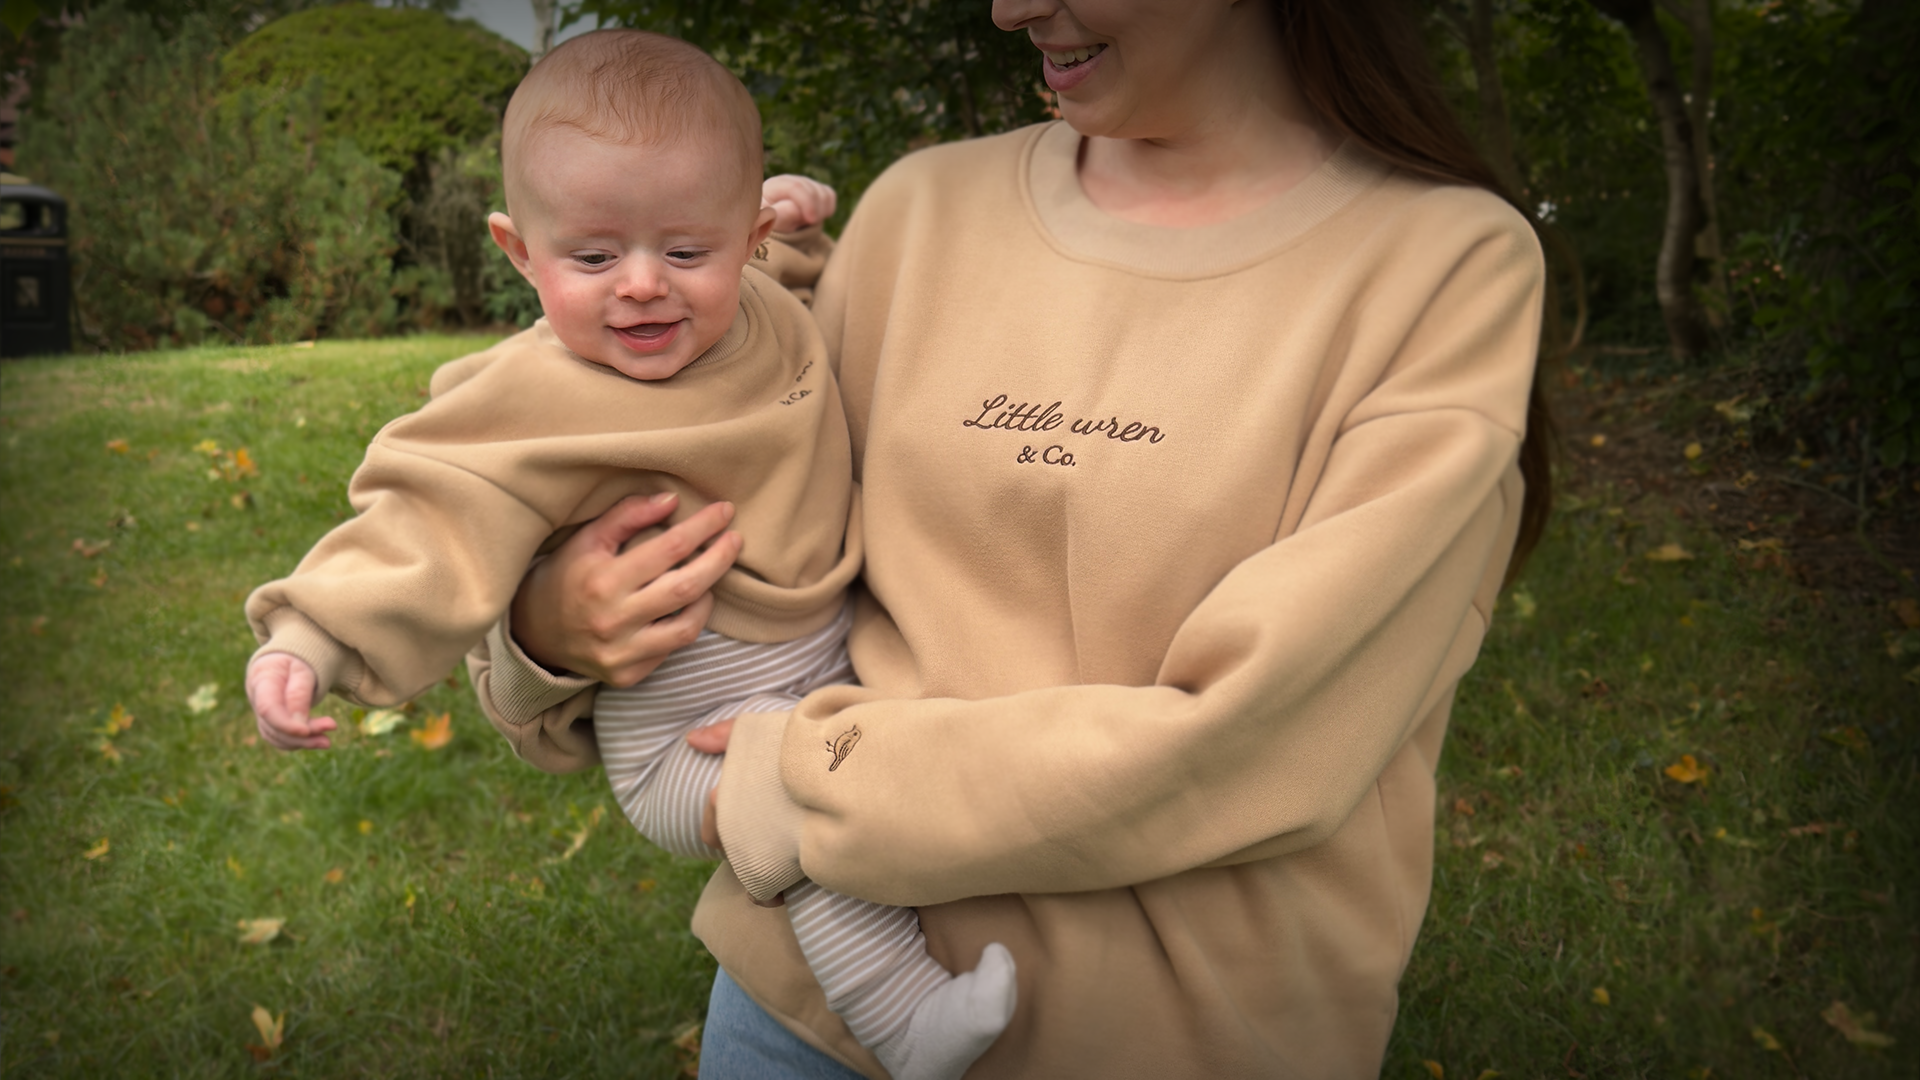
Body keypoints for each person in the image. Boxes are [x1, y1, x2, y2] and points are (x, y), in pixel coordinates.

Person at [476, 0, 1555, 1075]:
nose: (1008, 7)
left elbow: (1257, 738)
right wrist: (545, 630)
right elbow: (661, 477)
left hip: (1169, 1041)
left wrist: (796, 784)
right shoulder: (921, 211)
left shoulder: (1443, 266)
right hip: (802, 1018)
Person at [242, 30, 1016, 1080]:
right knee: (810, 817)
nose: (644, 286)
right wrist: (308, 638)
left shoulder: (761, 311)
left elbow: (803, 268)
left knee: (861, 778)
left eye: (685, 251)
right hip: (679, 746)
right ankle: (904, 1019)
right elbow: (418, 522)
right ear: (520, 252)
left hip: (826, 664)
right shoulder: (526, 398)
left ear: (739, 242)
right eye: (594, 257)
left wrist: (787, 217)